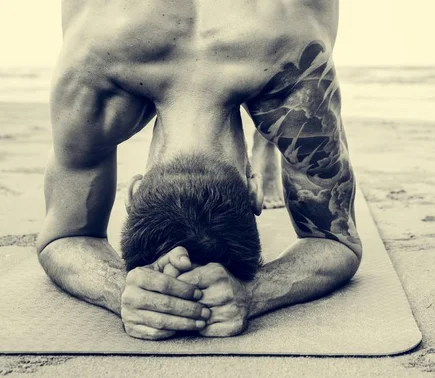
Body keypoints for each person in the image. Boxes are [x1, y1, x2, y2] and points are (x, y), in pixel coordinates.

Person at [37, 0, 362, 340]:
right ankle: (270, 135)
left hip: (267, 42)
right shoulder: (292, 61)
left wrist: (122, 289)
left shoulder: (91, 70)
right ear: (256, 190)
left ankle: (267, 141)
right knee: (284, 111)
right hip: (273, 34)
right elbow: (336, 241)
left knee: (282, 102)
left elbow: (63, 235)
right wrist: (253, 292)